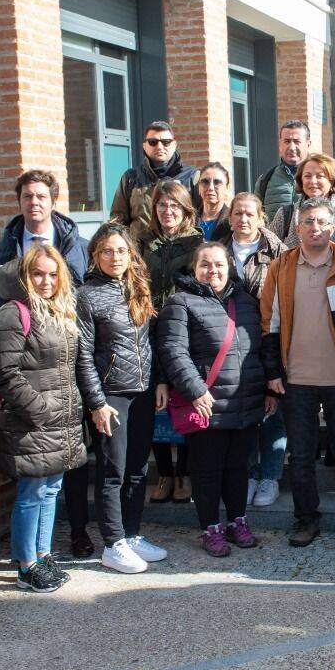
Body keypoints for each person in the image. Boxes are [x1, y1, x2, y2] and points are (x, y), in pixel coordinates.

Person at [260, 197, 335, 547]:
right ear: (297, 228)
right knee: (302, 457)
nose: (315, 228)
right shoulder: (282, 266)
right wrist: (274, 371)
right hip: (297, 380)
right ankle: (305, 519)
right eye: (308, 222)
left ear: (333, 226)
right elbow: (270, 322)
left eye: (321, 222)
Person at [156, 243, 270, 556]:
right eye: (205, 265)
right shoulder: (180, 302)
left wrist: (269, 390)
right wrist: (195, 390)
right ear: (194, 269)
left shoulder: (246, 302)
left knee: (238, 468)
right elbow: (173, 351)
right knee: (207, 472)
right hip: (206, 403)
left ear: (230, 266)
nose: (213, 271)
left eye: (219, 264)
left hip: (244, 402)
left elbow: (261, 349)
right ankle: (211, 528)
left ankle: (237, 521)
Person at [0, 243, 85, 594]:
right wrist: (40, 410)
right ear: (25, 276)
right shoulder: (14, 313)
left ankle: (43, 555)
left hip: (61, 421)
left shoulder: (61, 312)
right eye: (37, 274)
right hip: (32, 421)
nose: (46, 281)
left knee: (51, 490)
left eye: (52, 273)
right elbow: (5, 373)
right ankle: (26, 563)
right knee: (31, 492)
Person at [73, 223, 168, 574]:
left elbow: (149, 343)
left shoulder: (138, 288)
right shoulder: (86, 295)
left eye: (121, 251)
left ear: (131, 255)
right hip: (111, 394)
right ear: (95, 255)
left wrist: (158, 382)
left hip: (141, 391)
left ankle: (131, 534)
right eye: (107, 251)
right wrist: (97, 402)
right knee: (113, 471)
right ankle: (112, 544)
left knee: (138, 469)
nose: (115, 257)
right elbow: (83, 355)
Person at [221, 192, 289, 507]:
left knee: (273, 412)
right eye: (237, 213)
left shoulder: (278, 252)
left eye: (249, 213)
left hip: (269, 338)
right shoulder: (217, 250)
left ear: (260, 217)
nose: (243, 219)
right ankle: (248, 474)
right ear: (230, 216)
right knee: (244, 411)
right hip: (228, 342)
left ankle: (270, 477)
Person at [142, 179, 203, 505]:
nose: (167, 211)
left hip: (184, 329)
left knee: (184, 397)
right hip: (150, 327)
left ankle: (185, 474)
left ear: (185, 210)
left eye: (174, 206)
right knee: (157, 401)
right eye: (162, 205)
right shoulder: (144, 243)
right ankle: (165, 472)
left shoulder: (197, 243)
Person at [0, 170, 88, 336]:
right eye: (27, 196)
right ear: (19, 202)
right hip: (19, 351)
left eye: (41, 197)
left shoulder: (81, 249)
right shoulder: (1, 253)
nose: (34, 202)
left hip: (69, 349)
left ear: (53, 202)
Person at [108, 119, 199, 244]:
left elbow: (200, 216)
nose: (159, 147)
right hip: (140, 253)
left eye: (166, 142)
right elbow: (118, 220)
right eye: (153, 142)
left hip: (182, 252)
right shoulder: (131, 178)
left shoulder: (192, 177)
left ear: (174, 144)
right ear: (144, 145)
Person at [267, 152, 335, 248]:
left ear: (332, 181)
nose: (313, 181)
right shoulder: (285, 214)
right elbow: (269, 251)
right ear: (301, 180)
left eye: (320, 176)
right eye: (307, 176)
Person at [254, 120, 310, 212]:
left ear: (308, 144)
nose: (292, 148)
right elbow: (256, 218)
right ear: (280, 145)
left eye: (297, 141)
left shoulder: (320, 179)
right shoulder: (265, 180)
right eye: (287, 141)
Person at [196, 162, 232, 238]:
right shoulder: (188, 221)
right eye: (205, 182)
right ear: (199, 187)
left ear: (227, 188)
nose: (210, 188)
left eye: (217, 182)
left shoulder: (233, 221)